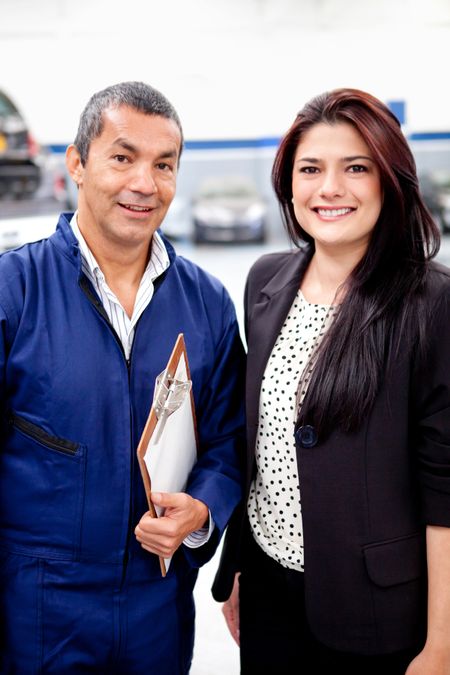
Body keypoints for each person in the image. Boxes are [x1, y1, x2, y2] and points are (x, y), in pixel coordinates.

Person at [0, 81, 245, 674]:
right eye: (122, 157)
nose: (144, 183)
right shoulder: (14, 291)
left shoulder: (207, 303)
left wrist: (202, 511)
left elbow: (230, 440)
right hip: (36, 609)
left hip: (156, 608)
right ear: (78, 165)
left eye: (164, 165)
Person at [212, 87, 450, 674]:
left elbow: (444, 486)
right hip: (269, 589)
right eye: (311, 169)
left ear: (389, 180)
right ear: (288, 183)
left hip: (379, 613)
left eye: (356, 168)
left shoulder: (431, 302)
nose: (330, 189)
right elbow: (262, 446)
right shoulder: (265, 283)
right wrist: (241, 563)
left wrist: (442, 644)